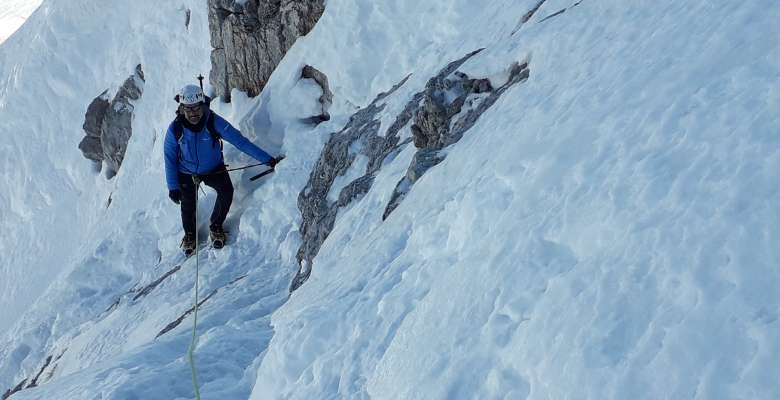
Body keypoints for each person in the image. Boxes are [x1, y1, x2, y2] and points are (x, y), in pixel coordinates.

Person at [164, 84, 277, 255]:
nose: (193, 113)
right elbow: (170, 158)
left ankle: (215, 225)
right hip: (186, 172)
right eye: (188, 109)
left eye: (196, 108)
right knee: (187, 204)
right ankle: (189, 235)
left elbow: (240, 142)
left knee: (226, 192)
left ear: (203, 105)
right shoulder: (175, 130)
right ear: (181, 109)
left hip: (213, 168)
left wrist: (268, 160)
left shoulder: (213, 121)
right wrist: (173, 187)